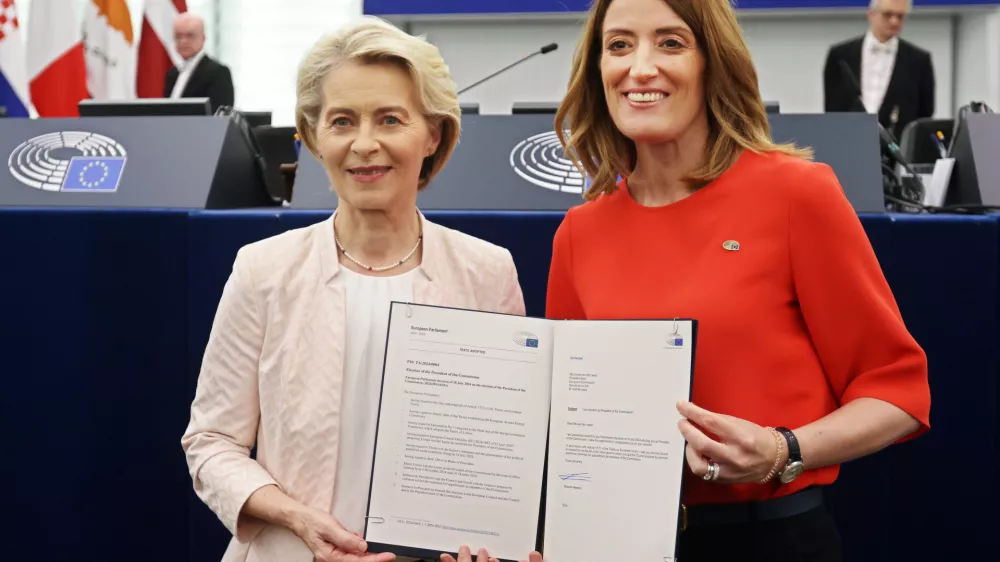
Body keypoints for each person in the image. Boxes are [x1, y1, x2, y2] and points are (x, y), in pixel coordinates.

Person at [548, 1, 931, 561]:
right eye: (620, 45)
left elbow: (899, 394)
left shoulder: (798, 195)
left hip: (769, 541)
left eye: (671, 43)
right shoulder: (579, 233)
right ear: (597, 70)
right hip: (617, 543)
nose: (641, 67)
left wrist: (783, 449)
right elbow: (565, 419)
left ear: (714, 63)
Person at [181, 16, 537, 562]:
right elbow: (210, 444)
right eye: (342, 121)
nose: (364, 144)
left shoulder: (487, 272)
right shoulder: (263, 270)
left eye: (390, 119)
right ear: (315, 137)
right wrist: (294, 516)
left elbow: (509, 453)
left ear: (433, 134)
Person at [823, 0, 934, 139]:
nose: (894, 21)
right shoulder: (840, 56)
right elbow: (832, 110)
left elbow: (924, 115)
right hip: (847, 141)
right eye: (887, 14)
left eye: (900, 16)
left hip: (899, 150)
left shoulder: (919, 60)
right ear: (871, 14)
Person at [165, 12, 234, 113]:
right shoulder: (172, 74)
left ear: (203, 38)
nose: (183, 41)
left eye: (190, 35)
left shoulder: (218, 73)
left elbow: (221, 117)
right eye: (178, 36)